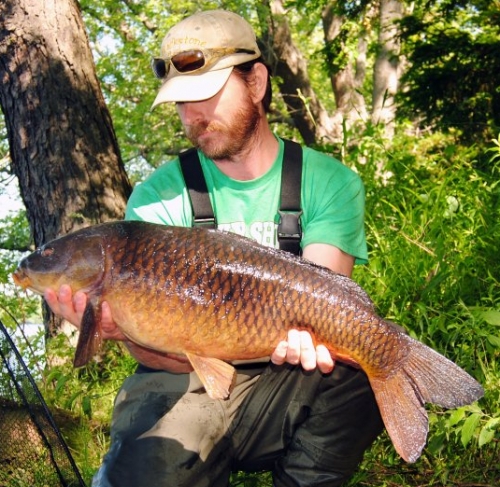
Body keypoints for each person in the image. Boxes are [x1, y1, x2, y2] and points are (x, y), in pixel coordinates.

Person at [45, 9, 383, 487]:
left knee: (361, 365)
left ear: (258, 82)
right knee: (143, 473)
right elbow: (156, 357)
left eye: (205, 94)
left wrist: (317, 336)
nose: (193, 115)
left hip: (286, 377)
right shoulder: (157, 197)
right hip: (184, 382)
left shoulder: (330, 181)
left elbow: (324, 291)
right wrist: (121, 328)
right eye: (181, 102)